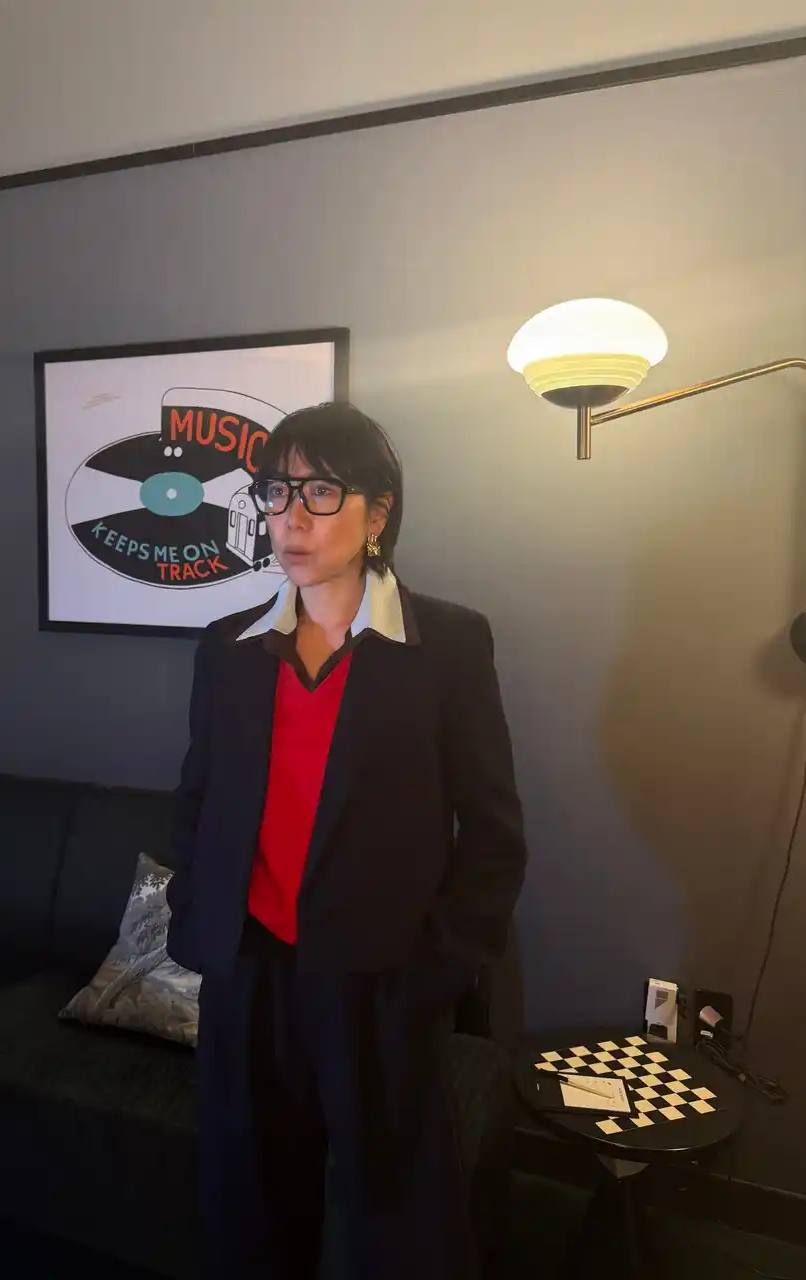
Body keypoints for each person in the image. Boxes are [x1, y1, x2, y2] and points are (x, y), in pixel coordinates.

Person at [165, 402, 527, 1280]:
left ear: (378, 512)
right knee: (250, 1209)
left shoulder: (446, 645)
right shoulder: (229, 649)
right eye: (276, 491)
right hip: (251, 972)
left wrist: (438, 967)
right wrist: (195, 921)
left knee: (394, 1223)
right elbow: (198, 799)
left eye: (320, 492)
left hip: (379, 980)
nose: (291, 517)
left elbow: (492, 832)